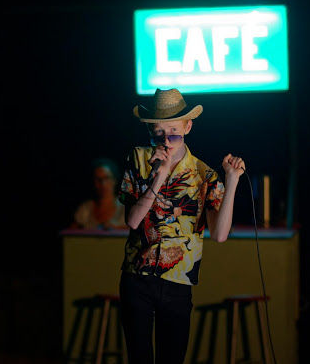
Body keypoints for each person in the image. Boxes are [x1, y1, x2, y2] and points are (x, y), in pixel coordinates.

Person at [118, 88, 246, 364]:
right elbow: (132, 220)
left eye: (174, 132)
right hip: (137, 277)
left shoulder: (204, 174)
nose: (166, 141)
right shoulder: (138, 159)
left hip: (178, 282)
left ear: (188, 127)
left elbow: (220, 235)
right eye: (158, 134)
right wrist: (159, 176)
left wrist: (232, 180)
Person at [71, 158, 127, 230]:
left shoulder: (124, 208)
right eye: (98, 179)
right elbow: (71, 233)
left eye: (106, 178)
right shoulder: (85, 209)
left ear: (115, 180)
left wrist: (116, 228)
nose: (103, 184)